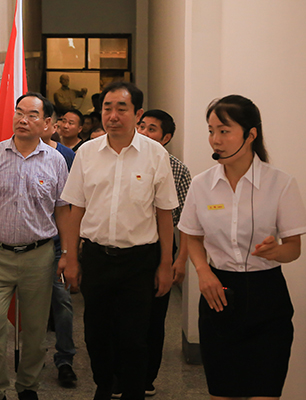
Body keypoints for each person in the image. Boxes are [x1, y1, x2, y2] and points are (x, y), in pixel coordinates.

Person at [178, 95, 306, 400]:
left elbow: (293, 249)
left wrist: (275, 251)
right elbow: (192, 236)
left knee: (265, 391)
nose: (215, 140)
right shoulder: (201, 184)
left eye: (224, 131)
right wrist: (203, 271)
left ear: (251, 134)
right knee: (223, 392)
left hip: (268, 297)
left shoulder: (280, 183)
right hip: (219, 294)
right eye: (211, 131)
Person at [60, 81, 178, 400]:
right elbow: (75, 209)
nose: (113, 115)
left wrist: (165, 264)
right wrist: (70, 257)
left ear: (137, 114)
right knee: (96, 333)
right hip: (96, 258)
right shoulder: (87, 153)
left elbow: (164, 214)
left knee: (135, 337)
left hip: (140, 260)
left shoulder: (155, 154)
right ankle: (104, 386)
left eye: (121, 108)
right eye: (107, 108)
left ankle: (133, 392)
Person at [0, 92, 71, 400]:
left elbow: (63, 210)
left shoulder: (55, 161)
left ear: (46, 123)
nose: (23, 120)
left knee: (36, 329)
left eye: (31, 115)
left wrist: (67, 253)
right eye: (19, 112)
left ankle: (28, 386)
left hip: (39, 256)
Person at [137, 109, 192, 396]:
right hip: (129, 248)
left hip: (161, 250)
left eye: (152, 129)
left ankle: (147, 377)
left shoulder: (178, 170)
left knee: (154, 318)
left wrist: (177, 260)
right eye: (142, 126)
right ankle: (121, 376)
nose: (144, 133)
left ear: (166, 137)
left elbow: (186, 222)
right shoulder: (124, 159)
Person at [40, 116, 78, 387]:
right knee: (33, 305)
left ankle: (65, 359)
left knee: (62, 302)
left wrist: (71, 247)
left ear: (49, 124)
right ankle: (33, 354)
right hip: (31, 244)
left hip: (57, 243)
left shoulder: (66, 156)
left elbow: (72, 204)